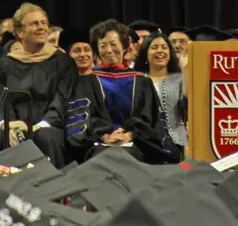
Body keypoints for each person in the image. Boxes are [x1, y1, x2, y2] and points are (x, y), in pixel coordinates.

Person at [0, 3, 77, 168]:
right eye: (34, 23)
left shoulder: (64, 62)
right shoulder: (4, 65)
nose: (41, 27)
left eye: (44, 23)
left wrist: (38, 125)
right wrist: (7, 124)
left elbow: (62, 99)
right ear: (19, 33)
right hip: (12, 122)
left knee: (45, 137)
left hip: (47, 123)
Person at [66, 20, 173, 164]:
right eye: (103, 46)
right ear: (97, 50)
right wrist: (105, 136)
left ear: (124, 48)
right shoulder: (87, 82)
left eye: (114, 44)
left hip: (137, 145)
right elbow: (80, 120)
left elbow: (150, 120)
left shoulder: (142, 82)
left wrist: (130, 134)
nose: (109, 50)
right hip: (98, 146)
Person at [133, 32, 187, 162]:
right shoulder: (136, 79)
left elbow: (188, 107)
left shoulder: (180, 79)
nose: (160, 51)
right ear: (145, 53)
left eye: (164, 47)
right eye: (154, 47)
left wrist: (186, 70)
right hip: (142, 141)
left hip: (175, 141)